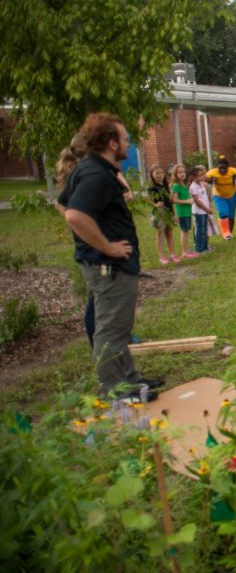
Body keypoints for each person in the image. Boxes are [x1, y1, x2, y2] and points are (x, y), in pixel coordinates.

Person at [58, 113, 162, 402]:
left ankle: (130, 380)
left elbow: (61, 203)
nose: (129, 142)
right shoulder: (95, 174)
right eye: (125, 138)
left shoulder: (92, 168)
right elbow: (74, 214)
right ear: (111, 142)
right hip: (109, 266)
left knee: (119, 327)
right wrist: (106, 246)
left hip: (107, 264)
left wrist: (91, 237)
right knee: (111, 330)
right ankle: (115, 391)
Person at [208, 156, 236, 240]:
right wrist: (210, 180)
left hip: (232, 195)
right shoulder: (212, 172)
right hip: (218, 195)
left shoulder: (233, 171)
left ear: (228, 167)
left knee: (231, 215)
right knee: (223, 213)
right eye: (220, 168)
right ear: (217, 167)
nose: (222, 170)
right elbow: (204, 179)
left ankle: (229, 233)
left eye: (225, 168)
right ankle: (225, 232)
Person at [148, 164, 178, 264]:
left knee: (169, 233)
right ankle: (162, 257)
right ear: (152, 175)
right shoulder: (152, 187)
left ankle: (173, 254)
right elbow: (149, 200)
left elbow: (170, 201)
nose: (159, 175)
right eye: (157, 173)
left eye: (161, 173)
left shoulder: (166, 186)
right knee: (160, 234)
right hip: (159, 213)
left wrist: (174, 213)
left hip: (169, 213)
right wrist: (156, 205)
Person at [169, 164, 198, 259]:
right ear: (175, 174)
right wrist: (187, 201)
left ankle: (187, 251)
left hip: (187, 211)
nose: (182, 174)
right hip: (181, 212)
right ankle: (184, 252)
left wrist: (190, 200)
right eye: (179, 172)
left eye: (183, 172)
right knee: (184, 231)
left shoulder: (184, 185)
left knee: (186, 231)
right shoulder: (176, 186)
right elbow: (174, 200)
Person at [189, 165, 213, 253]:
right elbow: (197, 201)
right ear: (194, 177)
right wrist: (207, 209)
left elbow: (205, 197)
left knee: (204, 230)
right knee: (200, 231)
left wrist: (209, 207)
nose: (202, 177)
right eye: (199, 175)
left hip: (205, 211)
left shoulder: (201, 185)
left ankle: (205, 247)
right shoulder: (193, 187)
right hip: (199, 212)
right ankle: (199, 249)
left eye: (202, 175)